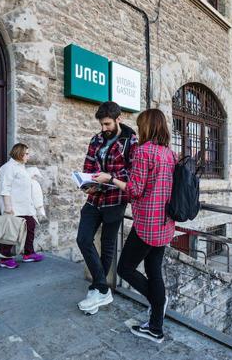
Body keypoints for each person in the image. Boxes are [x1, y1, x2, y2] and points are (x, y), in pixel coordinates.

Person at [94, 108, 176, 344]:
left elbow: (135, 190)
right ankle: (156, 327)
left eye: (140, 125)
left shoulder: (143, 152)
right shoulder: (169, 154)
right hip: (165, 223)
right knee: (153, 271)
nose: (138, 129)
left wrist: (109, 179)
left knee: (125, 269)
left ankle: (157, 306)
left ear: (147, 127)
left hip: (147, 223)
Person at [75, 101, 138, 313]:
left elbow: (133, 174)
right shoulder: (96, 139)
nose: (104, 128)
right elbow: (89, 165)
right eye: (102, 124)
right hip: (94, 200)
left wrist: (109, 178)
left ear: (118, 118)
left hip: (115, 201)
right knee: (83, 239)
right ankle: (103, 289)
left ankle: (98, 290)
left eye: (107, 123)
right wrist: (89, 184)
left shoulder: (131, 140)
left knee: (107, 244)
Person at [0, 143, 46, 268]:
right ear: (19, 153)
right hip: (13, 206)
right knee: (10, 232)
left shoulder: (20, 167)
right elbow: (5, 188)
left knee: (30, 226)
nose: (28, 156)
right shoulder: (8, 168)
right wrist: (8, 207)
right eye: (27, 154)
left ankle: (28, 254)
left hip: (24, 205)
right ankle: (5, 259)